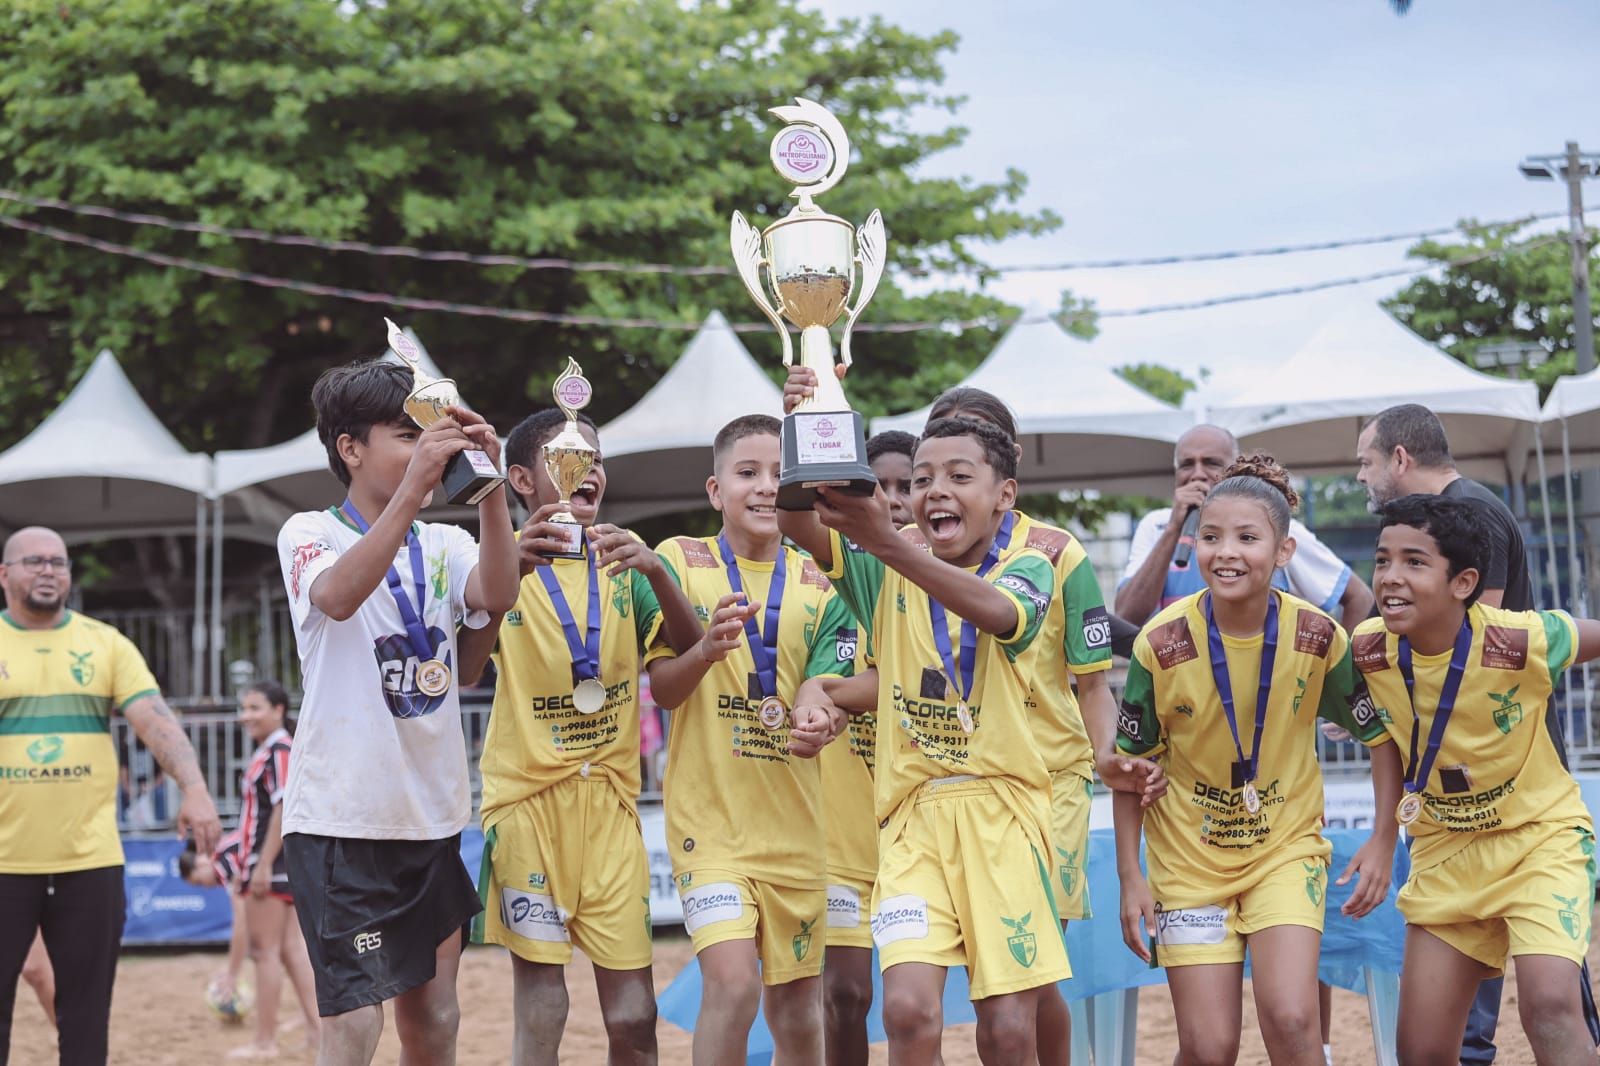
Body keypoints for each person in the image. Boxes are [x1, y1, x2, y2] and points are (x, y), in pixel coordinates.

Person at [780, 416, 1081, 1066]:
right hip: (912, 825)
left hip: (1003, 820)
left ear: (1005, 494)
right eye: (922, 479)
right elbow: (798, 521)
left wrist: (889, 543)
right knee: (908, 1012)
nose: (935, 489)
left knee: (1005, 1031)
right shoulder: (881, 563)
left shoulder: (1029, 563)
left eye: (959, 476)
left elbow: (1000, 615)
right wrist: (807, 415)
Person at [1113, 457, 1401, 1066]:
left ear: (1284, 549)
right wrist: (1130, 878)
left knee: (1294, 1020)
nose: (1227, 553)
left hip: (1284, 852)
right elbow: (1130, 769)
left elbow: (1381, 736)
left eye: (1248, 538)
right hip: (1189, 865)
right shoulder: (1159, 643)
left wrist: (1383, 837)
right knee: (1209, 1046)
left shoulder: (1320, 636)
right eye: (1212, 537)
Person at [276, 359, 518, 1066]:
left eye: (431, 435)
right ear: (350, 448)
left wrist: (491, 485)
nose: (425, 449)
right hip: (341, 824)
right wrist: (414, 489)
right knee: (354, 1027)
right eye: (405, 436)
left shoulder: (445, 542)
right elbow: (338, 598)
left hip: (432, 819)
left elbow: (497, 595)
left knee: (437, 1019)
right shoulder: (309, 532)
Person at [1354, 402, 1600, 1058]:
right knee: (1424, 1051)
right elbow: (1379, 735)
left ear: (1465, 582)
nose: (1390, 578)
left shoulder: (1520, 637)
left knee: (1550, 1003)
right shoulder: (1370, 651)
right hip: (1446, 848)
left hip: (1536, 837)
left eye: (1413, 563)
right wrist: (1383, 838)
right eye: (1382, 561)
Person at [463, 408, 702, 1066]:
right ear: (519, 479)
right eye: (566, 458)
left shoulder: (627, 565)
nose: (587, 470)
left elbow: (695, 651)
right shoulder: (496, 568)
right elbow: (464, 668)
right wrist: (509, 574)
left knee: (634, 1014)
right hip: (526, 809)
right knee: (544, 1007)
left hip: (613, 813)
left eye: (594, 458)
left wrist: (658, 572)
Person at [639, 414, 857, 1066]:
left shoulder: (824, 584)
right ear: (715, 490)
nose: (765, 488)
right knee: (732, 986)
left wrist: (823, 723)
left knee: (797, 1014)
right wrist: (705, 650)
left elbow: (829, 692)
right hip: (712, 832)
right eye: (747, 473)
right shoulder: (678, 561)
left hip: (797, 834)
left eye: (778, 475)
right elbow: (665, 690)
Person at [0, 525, 223, 1066]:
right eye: (35, 561)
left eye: (59, 561)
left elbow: (154, 719)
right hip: (4, 863)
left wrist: (193, 787)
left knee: (85, 1017)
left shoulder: (104, 643)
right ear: (5, 575)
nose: (50, 570)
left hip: (90, 860)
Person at [816, 430, 912, 1066]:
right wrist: (818, 701)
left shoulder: (957, 588)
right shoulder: (836, 591)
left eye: (911, 486)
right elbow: (818, 686)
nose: (899, 500)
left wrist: (837, 691)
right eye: (885, 487)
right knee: (847, 994)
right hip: (845, 838)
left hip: (922, 835)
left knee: (916, 1007)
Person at [1117, 424, 1373, 632]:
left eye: (1211, 463)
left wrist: (1342, 682)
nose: (1197, 474)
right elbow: (1127, 616)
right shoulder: (1156, 526)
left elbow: (1359, 597)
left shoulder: (1275, 524)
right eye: (1186, 464)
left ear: (1234, 467)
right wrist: (1174, 528)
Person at [232, 680, 319, 1058]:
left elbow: (283, 809)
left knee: (264, 952)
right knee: (288, 950)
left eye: (254, 708)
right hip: (278, 863)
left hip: (272, 864)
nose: (245, 716)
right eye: (244, 708)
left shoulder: (278, 750)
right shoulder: (276, 749)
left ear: (278, 710)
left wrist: (261, 864)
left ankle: (264, 1042)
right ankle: (317, 1032)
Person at [180, 830, 252, 1013]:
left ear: (200, 862)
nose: (205, 886)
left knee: (283, 948)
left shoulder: (224, 862)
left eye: (199, 882)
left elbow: (242, 923)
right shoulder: (226, 855)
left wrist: (231, 974)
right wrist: (231, 968)